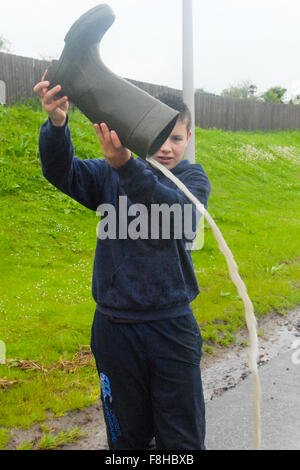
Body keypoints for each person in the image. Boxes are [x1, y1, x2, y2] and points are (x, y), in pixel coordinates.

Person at [34, 76, 211, 450]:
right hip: (114, 331)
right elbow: (59, 171)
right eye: (159, 137)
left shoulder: (190, 179)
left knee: (182, 440)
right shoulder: (106, 174)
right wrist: (57, 124)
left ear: (189, 139)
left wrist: (128, 167)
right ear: (139, 130)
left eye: (176, 139)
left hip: (171, 329)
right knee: (126, 439)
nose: (166, 148)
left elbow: (181, 219)